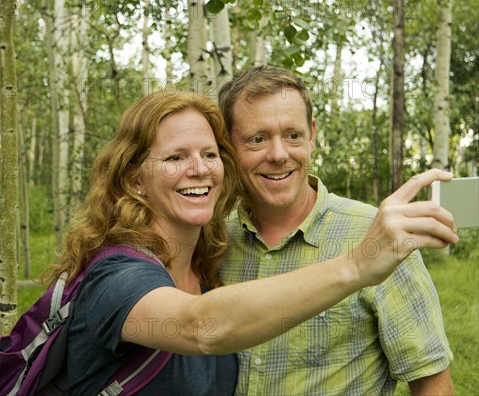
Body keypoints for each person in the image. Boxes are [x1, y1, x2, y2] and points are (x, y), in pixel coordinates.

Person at [46, 90, 457, 395]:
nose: (197, 170)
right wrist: (355, 267)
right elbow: (201, 326)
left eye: (208, 154)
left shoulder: (208, 260)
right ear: (136, 179)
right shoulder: (117, 276)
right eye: (174, 158)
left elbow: (430, 373)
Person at [218, 65, 455, 395]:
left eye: (293, 135)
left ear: (312, 134)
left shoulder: (378, 237)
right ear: (228, 145)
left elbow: (431, 380)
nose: (278, 154)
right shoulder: (213, 239)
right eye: (257, 139)